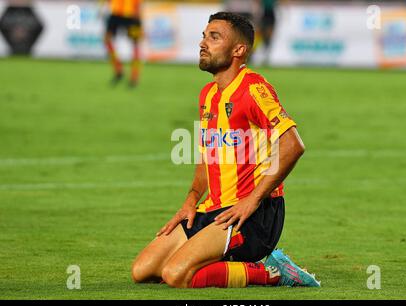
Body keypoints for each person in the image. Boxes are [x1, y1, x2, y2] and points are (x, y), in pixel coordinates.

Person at [131, 12, 320, 289]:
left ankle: (273, 271)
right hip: (214, 209)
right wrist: (191, 200)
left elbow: (293, 144)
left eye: (214, 37)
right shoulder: (208, 94)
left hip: (252, 214)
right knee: (142, 271)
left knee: (175, 275)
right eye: (204, 36)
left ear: (238, 50)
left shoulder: (254, 88)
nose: (203, 43)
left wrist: (253, 199)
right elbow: (207, 158)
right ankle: (216, 260)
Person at [102, 0, 143, 87]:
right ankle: (119, 69)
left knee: (135, 46)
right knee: (107, 40)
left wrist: (138, 11)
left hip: (132, 15)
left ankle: (134, 76)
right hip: (116, 13)